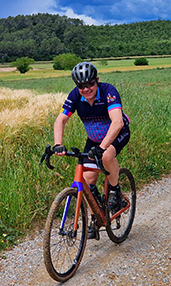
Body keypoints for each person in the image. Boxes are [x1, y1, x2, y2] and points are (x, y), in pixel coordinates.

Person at [53, 61, 131, 239]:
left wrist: (102, 147)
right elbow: (61, 120)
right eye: (81, 86)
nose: (86, 89)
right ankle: (95, 216)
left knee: (106, 155)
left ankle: (115, 191)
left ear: (97, 80)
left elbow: (117, 122)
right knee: (87, 181)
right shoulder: (75, 96)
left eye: (90, 84)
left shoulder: (108, 92)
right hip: (94, 139)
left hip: (118, 133)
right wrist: (58, 143)